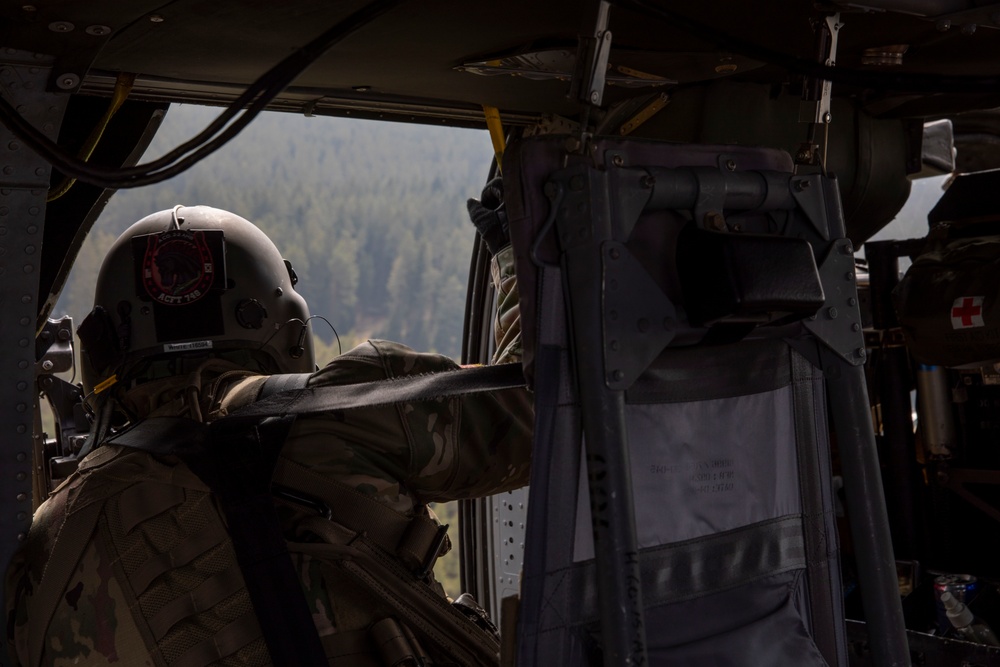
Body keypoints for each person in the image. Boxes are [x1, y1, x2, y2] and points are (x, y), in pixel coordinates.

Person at [6, 192, 531, 667]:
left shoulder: (49, 539)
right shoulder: (355, 410)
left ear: (104, 356)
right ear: (289, 329)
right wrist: (517, 263)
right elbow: (539, 417)